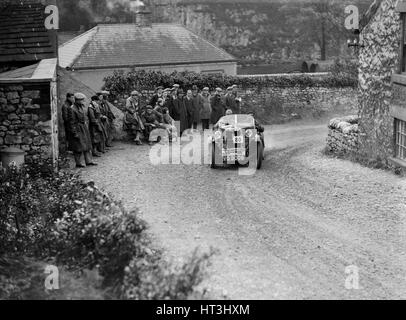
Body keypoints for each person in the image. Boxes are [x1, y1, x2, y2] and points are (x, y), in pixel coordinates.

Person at [68, 93, 97, 168]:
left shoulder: (81, 107)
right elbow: (71, 122)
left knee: (87, 145)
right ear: (77, 100)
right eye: (81, 100)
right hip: (78, 128)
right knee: (78, 146)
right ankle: (78, 163)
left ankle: (89, 161)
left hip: (83, 127)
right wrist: (74, 133)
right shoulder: (72, 109)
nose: (83, 101)